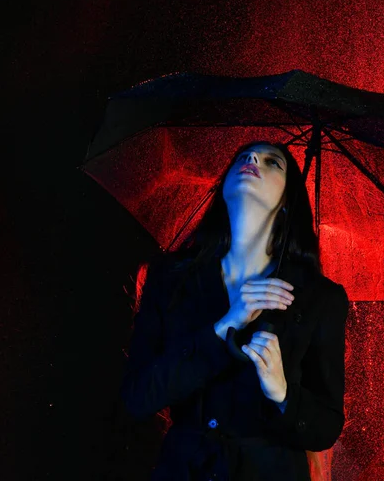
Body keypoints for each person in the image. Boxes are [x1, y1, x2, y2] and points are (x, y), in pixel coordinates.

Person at [120, 140, 350, 480]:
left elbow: (325, 427)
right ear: (224, 185)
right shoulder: (171, 278)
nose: (253, 158)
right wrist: (225, 325)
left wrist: (283, 393)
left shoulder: (320, 298)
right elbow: (137, 398)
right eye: (243, 157)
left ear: (288, 201)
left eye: (274, 162)